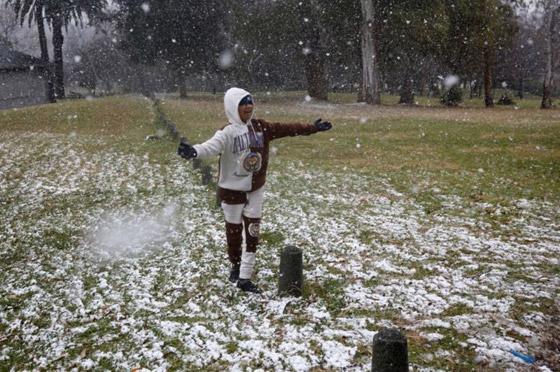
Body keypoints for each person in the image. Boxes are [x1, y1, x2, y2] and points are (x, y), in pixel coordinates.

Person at [178, 87, 332, 294]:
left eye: (250, 101)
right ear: (233, 107)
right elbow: (211, 146)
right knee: (233, 233)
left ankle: (245, 277)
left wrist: (312, 128)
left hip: (255, 189)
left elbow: (287, 128)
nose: (248, 106)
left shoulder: (261, 127)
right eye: (243, 103)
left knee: (253, 232)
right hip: (232, 191)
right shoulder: (227, 132)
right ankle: (235, 265)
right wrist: (193, 151)